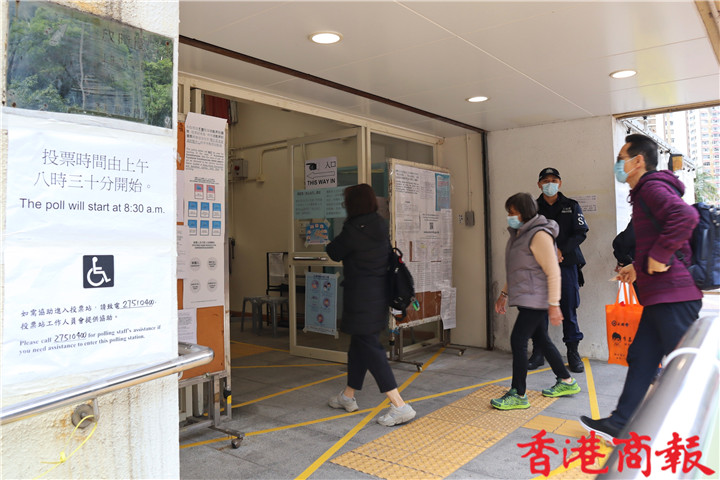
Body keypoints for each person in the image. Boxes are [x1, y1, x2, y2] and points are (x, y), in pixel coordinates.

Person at [579, 134, 702, 442]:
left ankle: (703, 431)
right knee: (642, 357)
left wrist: (659, 256)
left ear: (637, 161)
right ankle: (620, 424)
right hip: (659, 296)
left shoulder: (650, 187)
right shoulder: (643, 192)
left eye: (621, 158)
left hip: (673, 296)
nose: (617, 165)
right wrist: (637, 266)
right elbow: (659, 235)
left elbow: (685, 216)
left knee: (685, 366)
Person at [325, 183, 416, 427]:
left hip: (360, 298)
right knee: (359, 346)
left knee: (372, 349)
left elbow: (334, 251)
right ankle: (348, 396)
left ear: (352, 204)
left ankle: (399, 405)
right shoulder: (379, 224)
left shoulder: (354, 229)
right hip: (378, 295)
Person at [492, 192, 581, 410]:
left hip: (537, 297)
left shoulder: (539, 235)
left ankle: (518, 393)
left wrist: (554, 304)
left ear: (524, 212)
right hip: (528, 295)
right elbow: (517, 270)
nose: (510, 216)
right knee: (541, 339)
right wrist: (504, 294)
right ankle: (566, 380)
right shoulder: (520, 235)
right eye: (509, 212)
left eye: (513, 212)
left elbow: (553, 271)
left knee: (518, 339)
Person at [528, 167, 588, 373]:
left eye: (554, 180)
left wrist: (561, 250)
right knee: (539, 310)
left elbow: (581, 232)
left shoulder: (571, 206)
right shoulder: (532, 208)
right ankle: (538, 352)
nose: (550, 184)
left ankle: (573, 352)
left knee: (569, 309)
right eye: (546, 181)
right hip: (540, 265)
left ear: (560, 183)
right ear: (539, 184)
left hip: (567, 264)